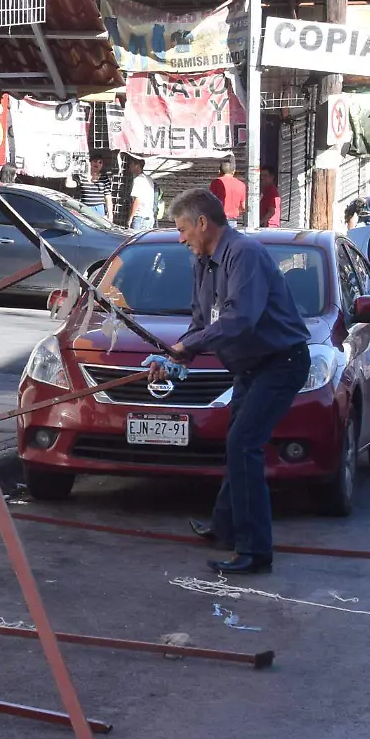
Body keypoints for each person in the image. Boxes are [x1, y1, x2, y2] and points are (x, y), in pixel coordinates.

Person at [150, 188, 311, 576]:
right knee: (237, 440)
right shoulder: (203, 262)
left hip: (281, 363)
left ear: (203, 223)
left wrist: (185, 347)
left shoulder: (244, 254)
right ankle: (225, 527)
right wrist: (174, 356)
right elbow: (201, 323)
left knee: (244, 444)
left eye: (183, 228)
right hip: (250, 367)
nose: (181, 238)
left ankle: (255, 551)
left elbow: (239, 320)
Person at [123, 154, 156, 231]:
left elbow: (137, 200)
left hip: (140, 217)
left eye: (131, 164)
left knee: (135, 241)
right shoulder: (149, 179)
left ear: (136, 165)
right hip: (149, 218)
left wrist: (130, 218)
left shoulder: (138, 180)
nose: (129, 166)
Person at [209, 157, 246, 221]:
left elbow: (211, 202)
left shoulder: (216, 183)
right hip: (233, 219)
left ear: (219, 171)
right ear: (233, 172)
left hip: (219, 218)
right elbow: (243, 207)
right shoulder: (241, 184)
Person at [77, 152, 113, 217]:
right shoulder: (82, 176)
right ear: (90, 162)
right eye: (95, 161)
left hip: (99, 209)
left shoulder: (104, 178)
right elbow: (69, 185)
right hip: (85, 208)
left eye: (100, 162)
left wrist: (110, 214)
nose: (97, 164)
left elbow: (108, 197)